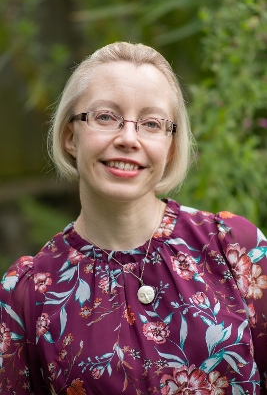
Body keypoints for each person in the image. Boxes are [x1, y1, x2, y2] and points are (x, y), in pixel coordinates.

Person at [0, 42, 266, 395]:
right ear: (70, 137)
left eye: (151, 123)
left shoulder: (234, 247)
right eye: (106, 117)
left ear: (170, 147)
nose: (128, 138)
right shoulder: (30, 293)